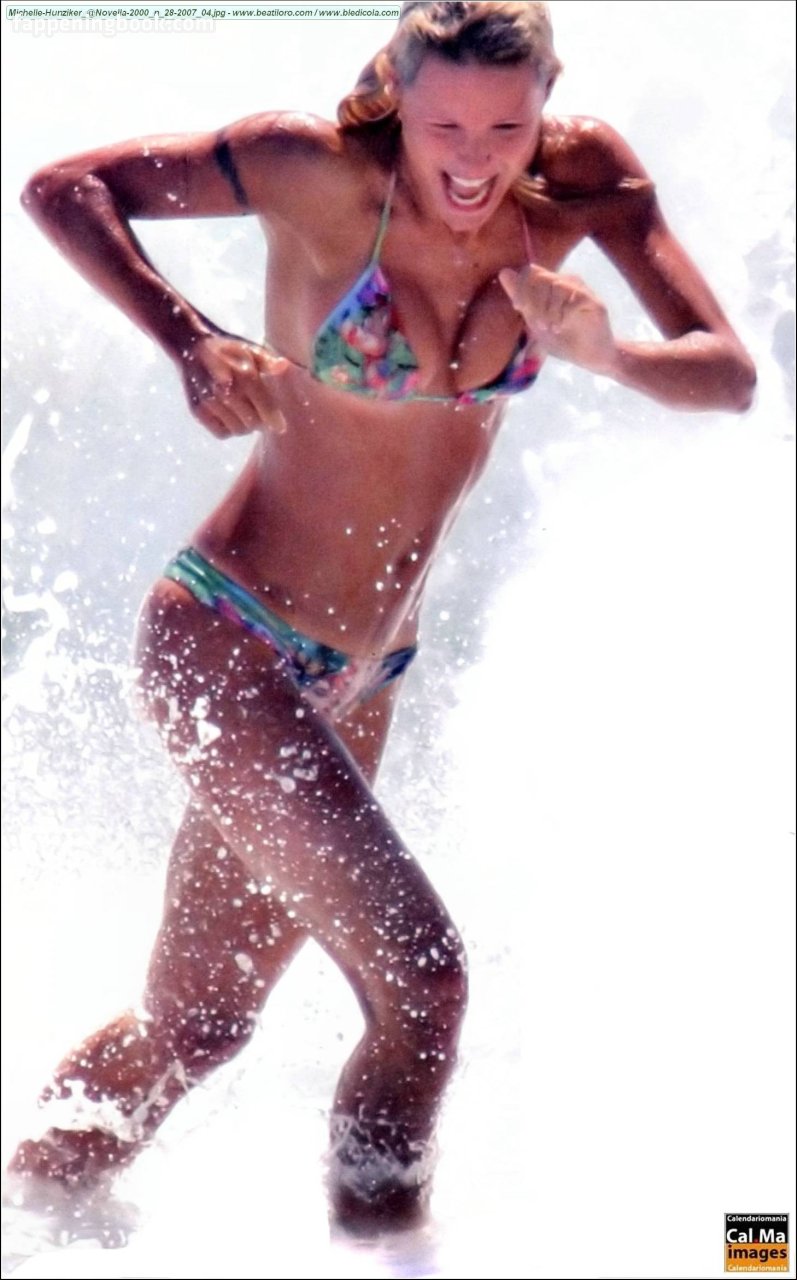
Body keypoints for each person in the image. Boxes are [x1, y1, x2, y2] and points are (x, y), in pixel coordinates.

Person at [8, 0, 755, 1243]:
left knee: (196, 1025)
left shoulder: (581, 180)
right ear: (395, 101)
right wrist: (189, 340)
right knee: (424, 982)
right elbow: (63, 188)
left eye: (505, 128)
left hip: (363, 675)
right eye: (443, 125)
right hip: (229, 640)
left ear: (545, 104)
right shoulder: (311, 170)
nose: (473, 159)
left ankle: (25, 1214)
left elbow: (724, 374)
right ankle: (390, 1261)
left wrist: (605, 352)